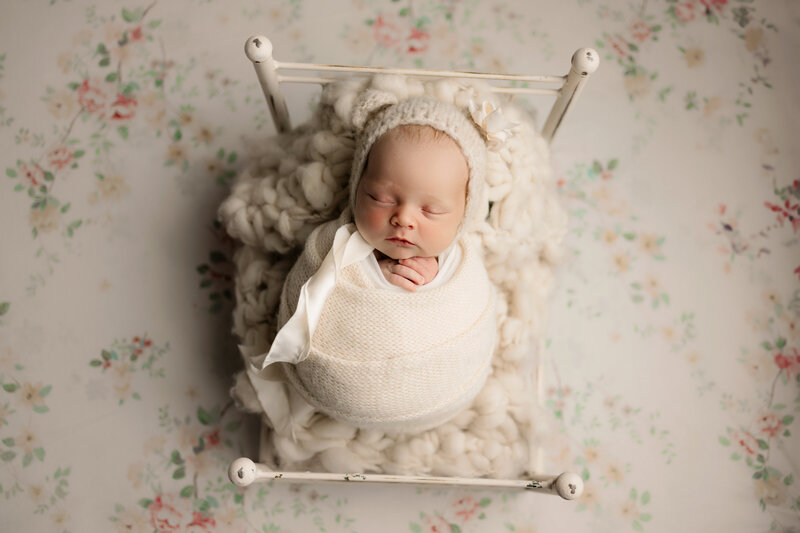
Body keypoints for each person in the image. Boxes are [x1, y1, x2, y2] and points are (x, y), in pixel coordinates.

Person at [250, 96, 498, 433]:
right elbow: (306, 293)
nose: (404, 218)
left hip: (441, 391)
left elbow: (470, 306)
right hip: (334, 390)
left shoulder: (462, 261)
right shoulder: (331, 247)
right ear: (356, 188)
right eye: (381, 199)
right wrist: (365, 272)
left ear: (463, 214)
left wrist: (437, 275)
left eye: (432, 210)